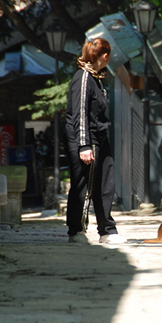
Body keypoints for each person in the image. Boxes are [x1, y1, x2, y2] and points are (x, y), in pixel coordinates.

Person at [64, 38, 126, 244]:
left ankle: (107, 230)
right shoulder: (83, 78)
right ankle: (77, 231)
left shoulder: (96, 78)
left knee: (105, 184)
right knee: (83, 186)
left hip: (99, 138)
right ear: (105, 56)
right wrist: (84, 145)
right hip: (84, 140)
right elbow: (79, 114)